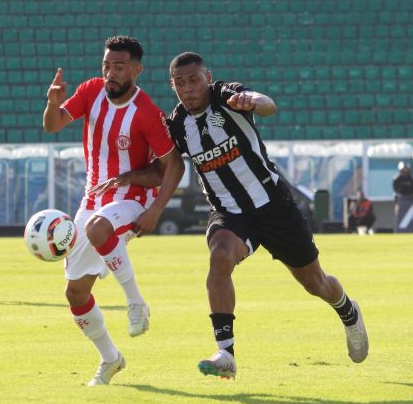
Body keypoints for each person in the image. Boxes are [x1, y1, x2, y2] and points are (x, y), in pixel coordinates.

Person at [100, 52, 368, 379]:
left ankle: (348, 313)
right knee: (220, 256)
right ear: (173, 86)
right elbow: (163, 171)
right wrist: (130, 177)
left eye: (194, 80)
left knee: (315, 283)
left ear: (207, 78)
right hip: (229, 213)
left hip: (273, 206)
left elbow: (267, 105)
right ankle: (225, 353)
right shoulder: (177, 126)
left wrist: (253, 100)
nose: (188, 89)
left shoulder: (226, 95)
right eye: (180, 84)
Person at [41, 36, 184, 386]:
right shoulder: (91, 91)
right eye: (107, 65)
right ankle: (110, 359)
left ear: (136, 69)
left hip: (133, 199)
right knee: (75, 294)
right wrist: (52, 104)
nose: (110, 73)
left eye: (119, 67)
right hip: (91, 200)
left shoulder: (148, 112)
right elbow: (54, 124)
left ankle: (136, 303)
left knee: (99, 229)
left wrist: (156, 211)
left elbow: (174, 166)